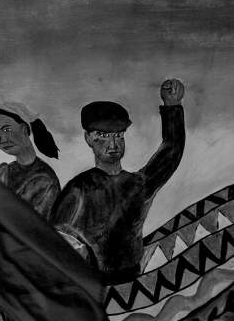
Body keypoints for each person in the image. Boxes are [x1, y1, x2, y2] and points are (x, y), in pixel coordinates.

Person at [51, 78, 186, 284]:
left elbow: (172, 151)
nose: (113, 144)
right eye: (103, 135)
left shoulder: (139, 185)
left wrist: (172, 105)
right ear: (88, 138)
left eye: (119, 135)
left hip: (133, 281)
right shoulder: (78, 189)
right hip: (92, 286)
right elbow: (54, 239)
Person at [0, 102, 61, 219]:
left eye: (6, 130)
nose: (1, 139)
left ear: (24, 130)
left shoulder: (45, 180)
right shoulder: (1, 171)